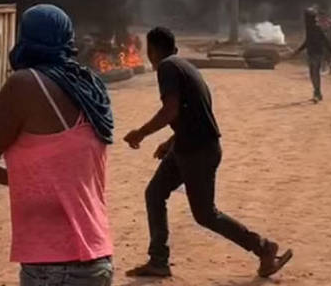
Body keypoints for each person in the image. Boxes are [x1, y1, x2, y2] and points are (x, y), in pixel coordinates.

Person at [0, 4, 115, 286]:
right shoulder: (88, 87)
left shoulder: (24, 85)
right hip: (97, 261)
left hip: (55, 267)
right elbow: (49, 178)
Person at [122, 27, 292, 280]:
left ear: (153, 50)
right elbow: (193, 113)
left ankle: (263, 248)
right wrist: (170, 141)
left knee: (205, 214)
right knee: (155, 193)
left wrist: (141, 133)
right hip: (187, 146)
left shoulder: (167, 67)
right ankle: (158, 260)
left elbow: (171, 110)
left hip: (198, 150)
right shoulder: (184, 66)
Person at [292, 8, 331, 102]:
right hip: (311, 52)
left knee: (315, 72)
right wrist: (298, 51)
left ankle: (317, 92)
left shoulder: (316, 28)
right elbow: (308, 41)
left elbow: (325, 41)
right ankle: (317, 92)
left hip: (317, 53)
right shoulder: (310, 27)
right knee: (313, 73)